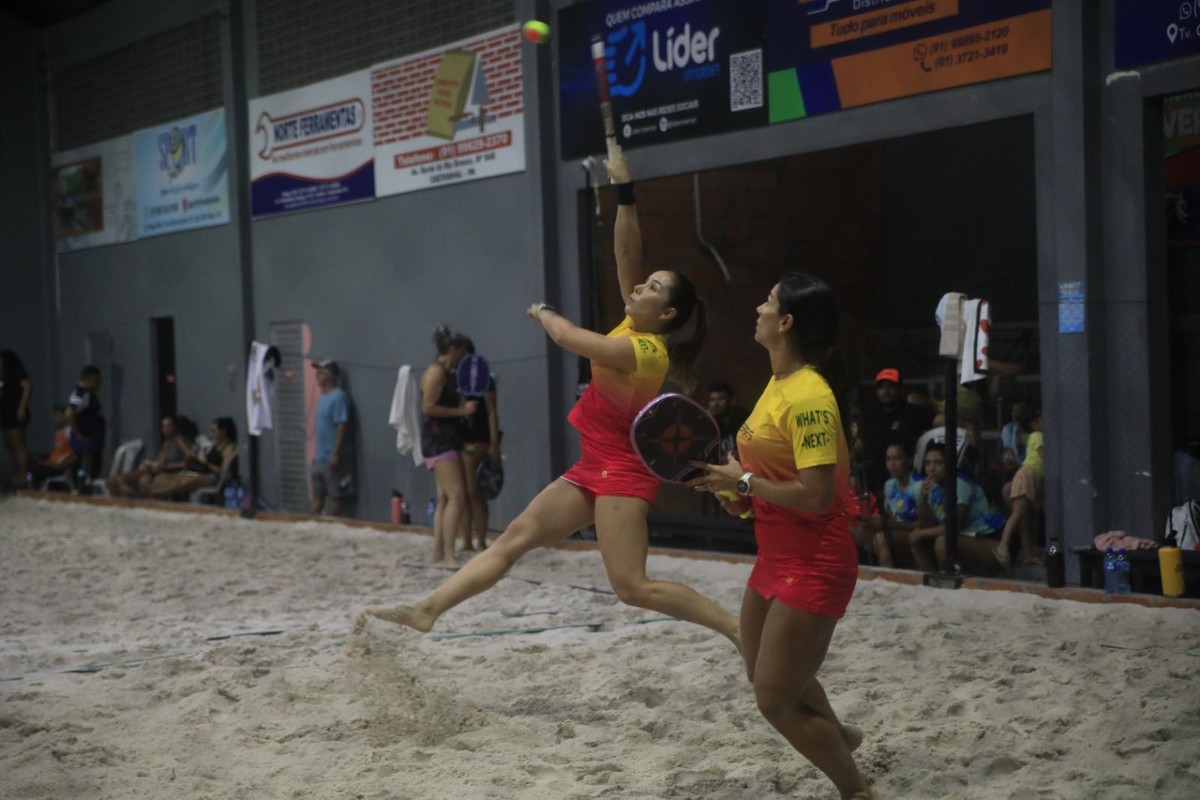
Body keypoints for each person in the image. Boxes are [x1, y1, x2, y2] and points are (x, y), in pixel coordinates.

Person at [358, 146, 739, 653]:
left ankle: (737, 630)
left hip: (623, 473)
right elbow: (627, 252)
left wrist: (544, 312)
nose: (640, 286)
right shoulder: (635, 320)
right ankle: (429, 610)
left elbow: (570, 339)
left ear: (666, 314)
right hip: (594, 463)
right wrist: (625, 191)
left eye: (651, 288)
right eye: (645, 283)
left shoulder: (644, 350)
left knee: (632, 587)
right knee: (515, 535)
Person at [685, 273, 874, 800]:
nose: (758, 306)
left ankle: (856, 791)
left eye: (767, 301)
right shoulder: (778, 380)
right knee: (762, 670)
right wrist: (734, 493)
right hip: (775, 556)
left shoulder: (811, 396)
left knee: (773, 700)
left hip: (816, 562)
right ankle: (838, 736)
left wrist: (742, 480)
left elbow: (816, 496)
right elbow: (773, 483)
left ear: (786, 322)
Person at [420, 328, 475, 565]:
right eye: (461, 354)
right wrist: (461, 411)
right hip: (439, 441)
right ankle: (450, 554)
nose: (462, 360)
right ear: (453, 350)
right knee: (457, 497)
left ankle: (438, 552)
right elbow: (428, 407)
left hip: (442, 440)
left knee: (444, 498)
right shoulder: (436, 372)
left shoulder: (442, 371)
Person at [909, 442, 1006, 574]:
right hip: (965, 539)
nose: (932, 468)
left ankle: (948, 583)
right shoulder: (933, 486)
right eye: (928, 463)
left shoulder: (959, 484)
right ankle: (931, 584)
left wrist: (920, 533)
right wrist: (923, 500)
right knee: (918, 541)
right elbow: (928, 525)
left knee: (942, 542)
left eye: (938, 463)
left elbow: (954, 526)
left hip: (991, 541)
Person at [854, 367, 934, 494]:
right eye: (881, 387)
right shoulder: (870, 417)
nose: (886, 391)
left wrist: (968, 426)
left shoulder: (914, 412)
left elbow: (938, 419)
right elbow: (859, 445)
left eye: (890, 386)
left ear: (900, 389)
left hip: (910, 481)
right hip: (875, 482)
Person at [458, 337, 500, 553]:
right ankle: (466, 541)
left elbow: (492, 411)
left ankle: (480, 541)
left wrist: (494, 445)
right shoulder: (456, 378)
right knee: (464, 493)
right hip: (461, 439)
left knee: (474, 492)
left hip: (478, 439)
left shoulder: (484, 378)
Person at [995, 408, 1044, 568]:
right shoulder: (1037, 436)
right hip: (1027, 477)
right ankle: (1003, 545)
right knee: (1019, 513)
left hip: (1034, 478)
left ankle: (1029, 553)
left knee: (1028, 516)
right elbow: (1045, 455)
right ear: (1034, 423)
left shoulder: (1035, 436)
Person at [146, 417, 239, 500]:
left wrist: (206, 463)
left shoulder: (229, 449)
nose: (211, 433)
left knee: (186, 481)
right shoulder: (214, 445)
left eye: (214, 431)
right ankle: (155, 492)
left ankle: (157, 494)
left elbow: (222, 472)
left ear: (223, 432)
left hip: (211, 478)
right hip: (199, 473)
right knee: (183, 474)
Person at [309, 360, 353, 517]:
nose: (317, 374)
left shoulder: (338, 397)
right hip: (320, 458)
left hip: (333, 457)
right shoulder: (322, 398)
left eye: (321, 371)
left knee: (336, 496)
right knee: (317, 497)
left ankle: (332, 522)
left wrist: (336, 452)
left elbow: (341, 424)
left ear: (330, 376)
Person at [106, 415, 190, 497]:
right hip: (154, 470)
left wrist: (167, 466)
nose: (166, 430)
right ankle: (127, 500)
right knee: (113, 480)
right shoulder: (167, 444)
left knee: (124, 480)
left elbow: (189, 458)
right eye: (163, 427)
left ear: (175, 427)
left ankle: (131, 500)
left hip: (161, 472)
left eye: (169, 426)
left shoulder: (179, 440)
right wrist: (150, 462)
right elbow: (160, 460)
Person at [872, 441, 922, 568]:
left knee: (881, 538)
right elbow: (890, 515)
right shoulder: (889, 485)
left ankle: (886, 581)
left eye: (897, 459)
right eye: (888, 459)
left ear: (909, 460)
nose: (892, 464)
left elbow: (925, 523)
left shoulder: (919, 485)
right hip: (897, 531)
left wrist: (892, 525)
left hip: (917, 533)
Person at [66, 365, 105, 483]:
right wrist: (78, 434)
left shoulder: (87, 393)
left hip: (91, 438)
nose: (99, 385)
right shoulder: (81, 393)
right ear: (89, 379)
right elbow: (69, 413)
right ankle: (80, 489)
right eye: (96, 381)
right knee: (83, 467)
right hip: (84, 441)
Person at [1, 350, 33, 489]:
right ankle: (16, 476)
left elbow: (27, 388)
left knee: (18, 445)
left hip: (15, 411)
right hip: (5, 413)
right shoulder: (3, 376)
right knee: (11, 446)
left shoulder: (17, 373)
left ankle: (22, 477)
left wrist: (21, 407)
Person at [26, 406, 77, 487]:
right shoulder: (57, 432)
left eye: (59, 416)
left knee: (33, 470)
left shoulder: (70, 432)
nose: (56, 419)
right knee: (30, 464)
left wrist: (61, 465)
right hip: (50, 463)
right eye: (55, 416)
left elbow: (74, 456)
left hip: (59, 467)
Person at [706, 381, 749, 458]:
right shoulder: (709, 424)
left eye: (721, 399)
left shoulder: (745, 418)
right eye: (712, 400)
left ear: (732, 401)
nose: (716, 404)